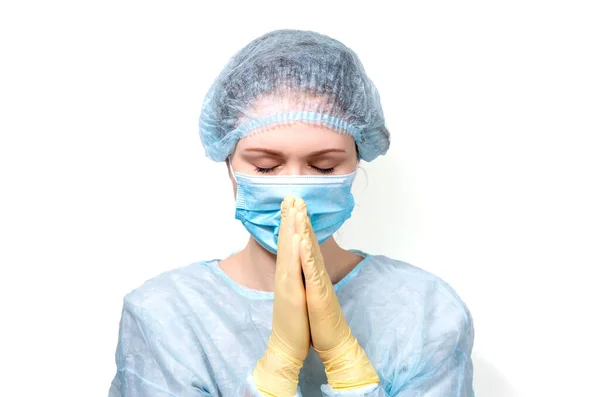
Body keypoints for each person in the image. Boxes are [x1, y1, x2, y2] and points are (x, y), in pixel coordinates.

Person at [109, 29, 475, 397]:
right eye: (266, 167)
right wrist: (276, 374)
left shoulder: (425, 311)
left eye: (325, 167)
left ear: (358, 158)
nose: (294, 191)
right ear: (228, 163)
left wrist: (348, 369)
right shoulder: (166, 317)